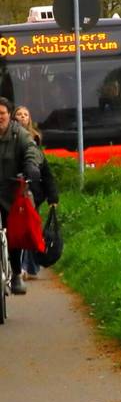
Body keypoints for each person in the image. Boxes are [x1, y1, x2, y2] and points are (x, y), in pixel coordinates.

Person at [0, 98, 44, 295]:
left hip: (11, 193)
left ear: (9, 115)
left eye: (2, 113)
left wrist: (31, 166)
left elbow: (32, 150)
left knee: (13, 234)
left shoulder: (20, 134)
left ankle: (16, 274)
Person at [14, 105, 59, 280]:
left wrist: (52, 196)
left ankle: (28, 267)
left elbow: (46, 173)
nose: (22, 117)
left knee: (30, 230)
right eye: (19, 114)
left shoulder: (34, 142)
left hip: (32, 194)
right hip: (13, 191)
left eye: (25, 114)